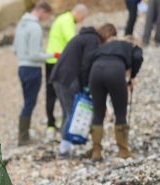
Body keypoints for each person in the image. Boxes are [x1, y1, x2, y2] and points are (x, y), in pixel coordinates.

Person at [49, 23, 117, 157]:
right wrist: (87, 86)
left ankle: (65, 148)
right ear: (107, 34)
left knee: (66, 113)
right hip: (69, 78)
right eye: (111, 37)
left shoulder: (84, 37)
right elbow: (86, 65)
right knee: (71, 113)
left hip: (58, 77)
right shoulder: (93, 40)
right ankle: (64, 150)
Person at [81, 38, 144, 161]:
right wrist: (132, 76)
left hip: (96, 69)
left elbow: (88, 59)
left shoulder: (105, 46)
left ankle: (96, 152)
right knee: (120, 112)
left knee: (98, 112)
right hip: (116, 69)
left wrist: (86, 82)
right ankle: (123, 150)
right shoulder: (133, 47)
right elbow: (138, 57)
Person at [13, 1, 56, 146]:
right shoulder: (35, 27)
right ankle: (23, 137)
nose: (46, 19)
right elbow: (34, 55)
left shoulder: (21, 23)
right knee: (30, 103)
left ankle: (23, 135)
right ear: (42, 12)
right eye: (47, 16)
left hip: (22, 67)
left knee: (27, 102)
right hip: (32, 68)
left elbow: (15, 49)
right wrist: (53, 55)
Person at [44, 4, 89, 140]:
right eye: (82, 17)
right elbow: (72, 41)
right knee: (55, 93)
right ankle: (53, 123)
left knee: (53, 93)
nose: (82, 20)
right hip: (58, 59)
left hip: (52, 58)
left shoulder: (62, 18)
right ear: (77, 12)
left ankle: (55, 122)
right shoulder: (67, 21)